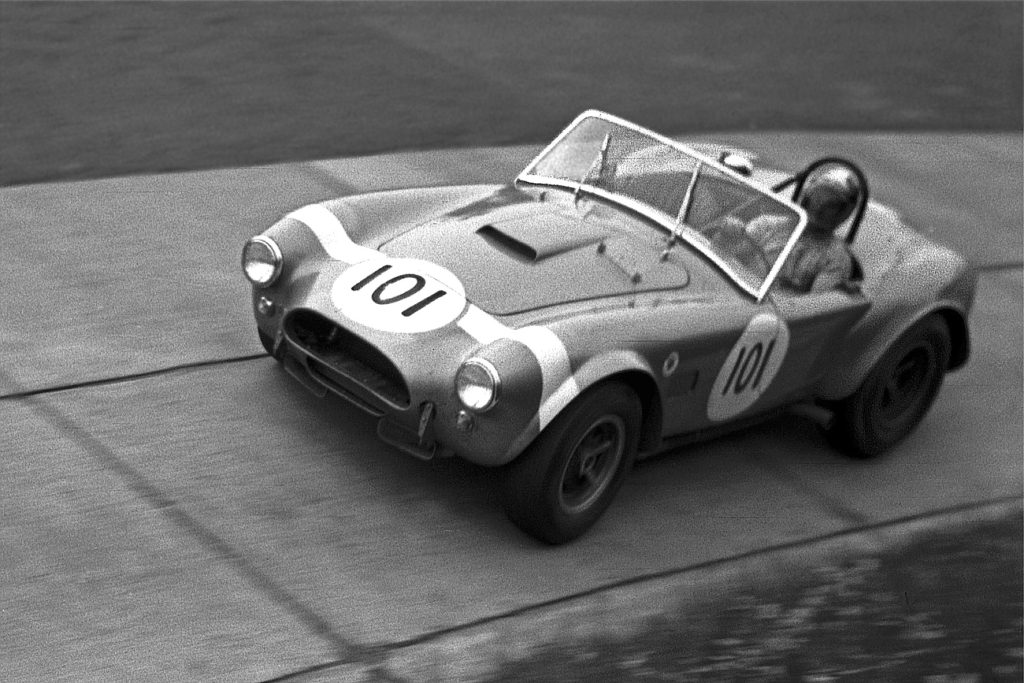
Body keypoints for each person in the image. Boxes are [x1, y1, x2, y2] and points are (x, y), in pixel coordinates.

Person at [710, 166, 861, 293]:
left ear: (843, 213)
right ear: (807, 196)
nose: (820, 206)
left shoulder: (837, 258)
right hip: (732, 290)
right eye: (818, 197)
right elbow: (722, 259)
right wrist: (727, 237)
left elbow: (812, 308)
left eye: (831, 205)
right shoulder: (766, 224)